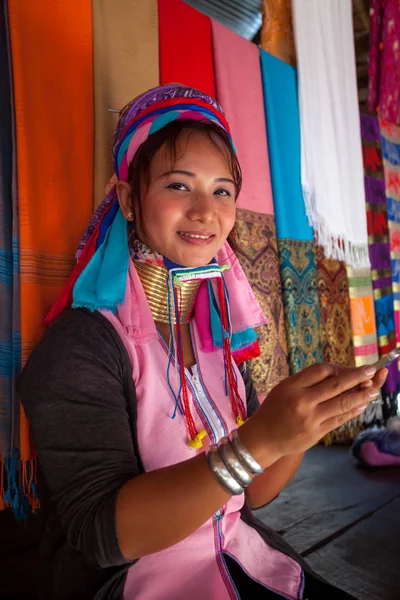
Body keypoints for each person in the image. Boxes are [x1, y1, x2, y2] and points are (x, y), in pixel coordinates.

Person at [18, 84, 387, 600]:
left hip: (240, 560)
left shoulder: (214, 334)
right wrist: (259, 439)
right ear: (127, 198)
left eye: (222, 190)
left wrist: (304, 424)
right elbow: (104, 536)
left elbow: (254, 492)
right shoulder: (83, 347)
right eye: (177, 186)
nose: (205, 212)